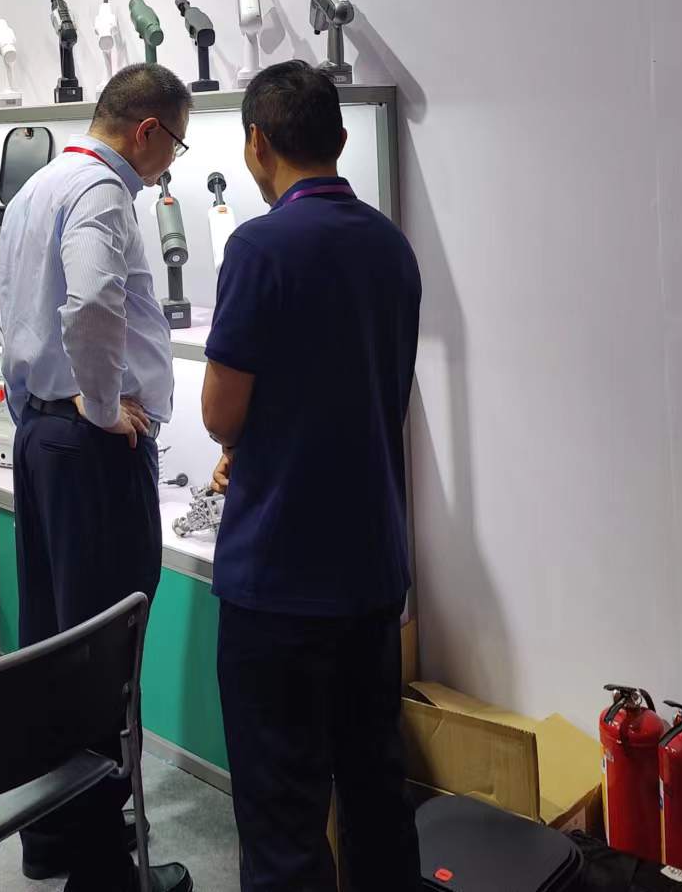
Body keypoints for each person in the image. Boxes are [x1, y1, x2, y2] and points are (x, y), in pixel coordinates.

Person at [202, 61, 421, 892]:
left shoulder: (259, 247)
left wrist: (247, 439)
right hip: (372, 569)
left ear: (257, 144)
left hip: (280, 578)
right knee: (376, 795)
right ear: (338, 137)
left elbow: (221, 413)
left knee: (283, 819)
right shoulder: (390, 245)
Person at [0, 63, 195, 892]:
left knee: (53, 644)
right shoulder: (105, 194)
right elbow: (88, 305)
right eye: (175, 144)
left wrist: (48, 412)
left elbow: (21, 313)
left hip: (45, 441)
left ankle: (53, 835)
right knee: (102, 656)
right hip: (91, 454)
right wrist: (105, 406)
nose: (172, 163)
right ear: (146, 130)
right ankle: (104, 870)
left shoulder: (37, 186)